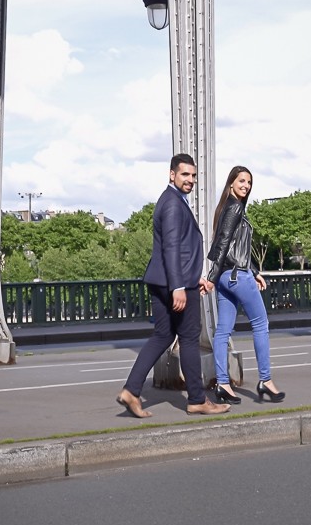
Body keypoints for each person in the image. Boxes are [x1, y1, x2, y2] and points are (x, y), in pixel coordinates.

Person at [115, 152, 229, 418]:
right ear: (172, 175)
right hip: (173, 283)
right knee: (190, 338)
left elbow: (177, 250)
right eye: (185, 174)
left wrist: (192, 277)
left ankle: (131, 391)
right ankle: (198, 400)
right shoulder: (173, 204)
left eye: (193, 175)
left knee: (163, 336)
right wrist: (179, 286)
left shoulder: (171, 200)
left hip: (165, 280)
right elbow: (172, 249)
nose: (190, 180)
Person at [207, 165, 284, 404]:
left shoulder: (225, 208)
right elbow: (222, 244)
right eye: (241, 181)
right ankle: (265, 380)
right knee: (260, 323)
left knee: (222, 331)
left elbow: (233, 248)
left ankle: (222, 384)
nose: (246, 186)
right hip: (236, 276)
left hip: (226, 277)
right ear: (231, 182)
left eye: (249, 182)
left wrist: (255, 271)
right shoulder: (235, 207)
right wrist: (210, 277)